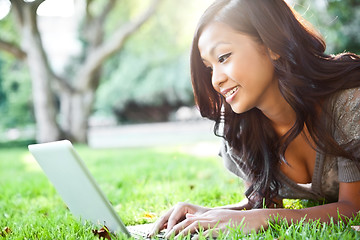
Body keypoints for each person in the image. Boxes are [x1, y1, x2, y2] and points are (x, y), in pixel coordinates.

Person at [149, 0, 360, 238]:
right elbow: (263, 207)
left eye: (223, 57)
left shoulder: (347, 105)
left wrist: (263, 217)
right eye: (209, 67)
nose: (215, 80)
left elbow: (352, 208)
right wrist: (203, 216)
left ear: (272, 45)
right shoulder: (241, 129)